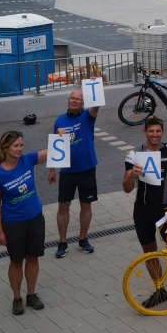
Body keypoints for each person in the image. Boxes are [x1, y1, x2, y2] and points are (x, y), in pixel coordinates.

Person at [122, 116, 167, 312]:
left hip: (166, 208)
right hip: (142, 209)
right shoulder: (134, 153)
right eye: (151, 131)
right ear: (145, 132)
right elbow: (126, 188)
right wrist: (130, 175)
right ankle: (160, 289)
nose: (154, 134)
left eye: (158, 131)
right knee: (149, 252)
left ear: (162, 132)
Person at [0, 131, 48, 315]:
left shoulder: (27, 160)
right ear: (5, 148)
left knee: (33, 258)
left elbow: (53, 152)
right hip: (13, 223)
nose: (20, 149)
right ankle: (17, 297)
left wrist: (61, 137)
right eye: (16, 146)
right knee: (16, 261)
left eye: (21, 145)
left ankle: (31, 294)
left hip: (35, 218)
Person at [49, 89, 100, 259]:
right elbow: (54, 147)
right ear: (68, 100)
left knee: (86, 205)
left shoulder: (88, 116)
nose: (74, 101)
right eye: (72, 98)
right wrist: (52, 170)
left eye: (78, 99)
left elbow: (96, 106)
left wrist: (94, 86)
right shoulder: (59, 121)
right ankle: (62, 242)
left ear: (83, 103)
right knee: (63, 206)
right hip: (67, 171)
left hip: (87, 169)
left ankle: (83, 238)